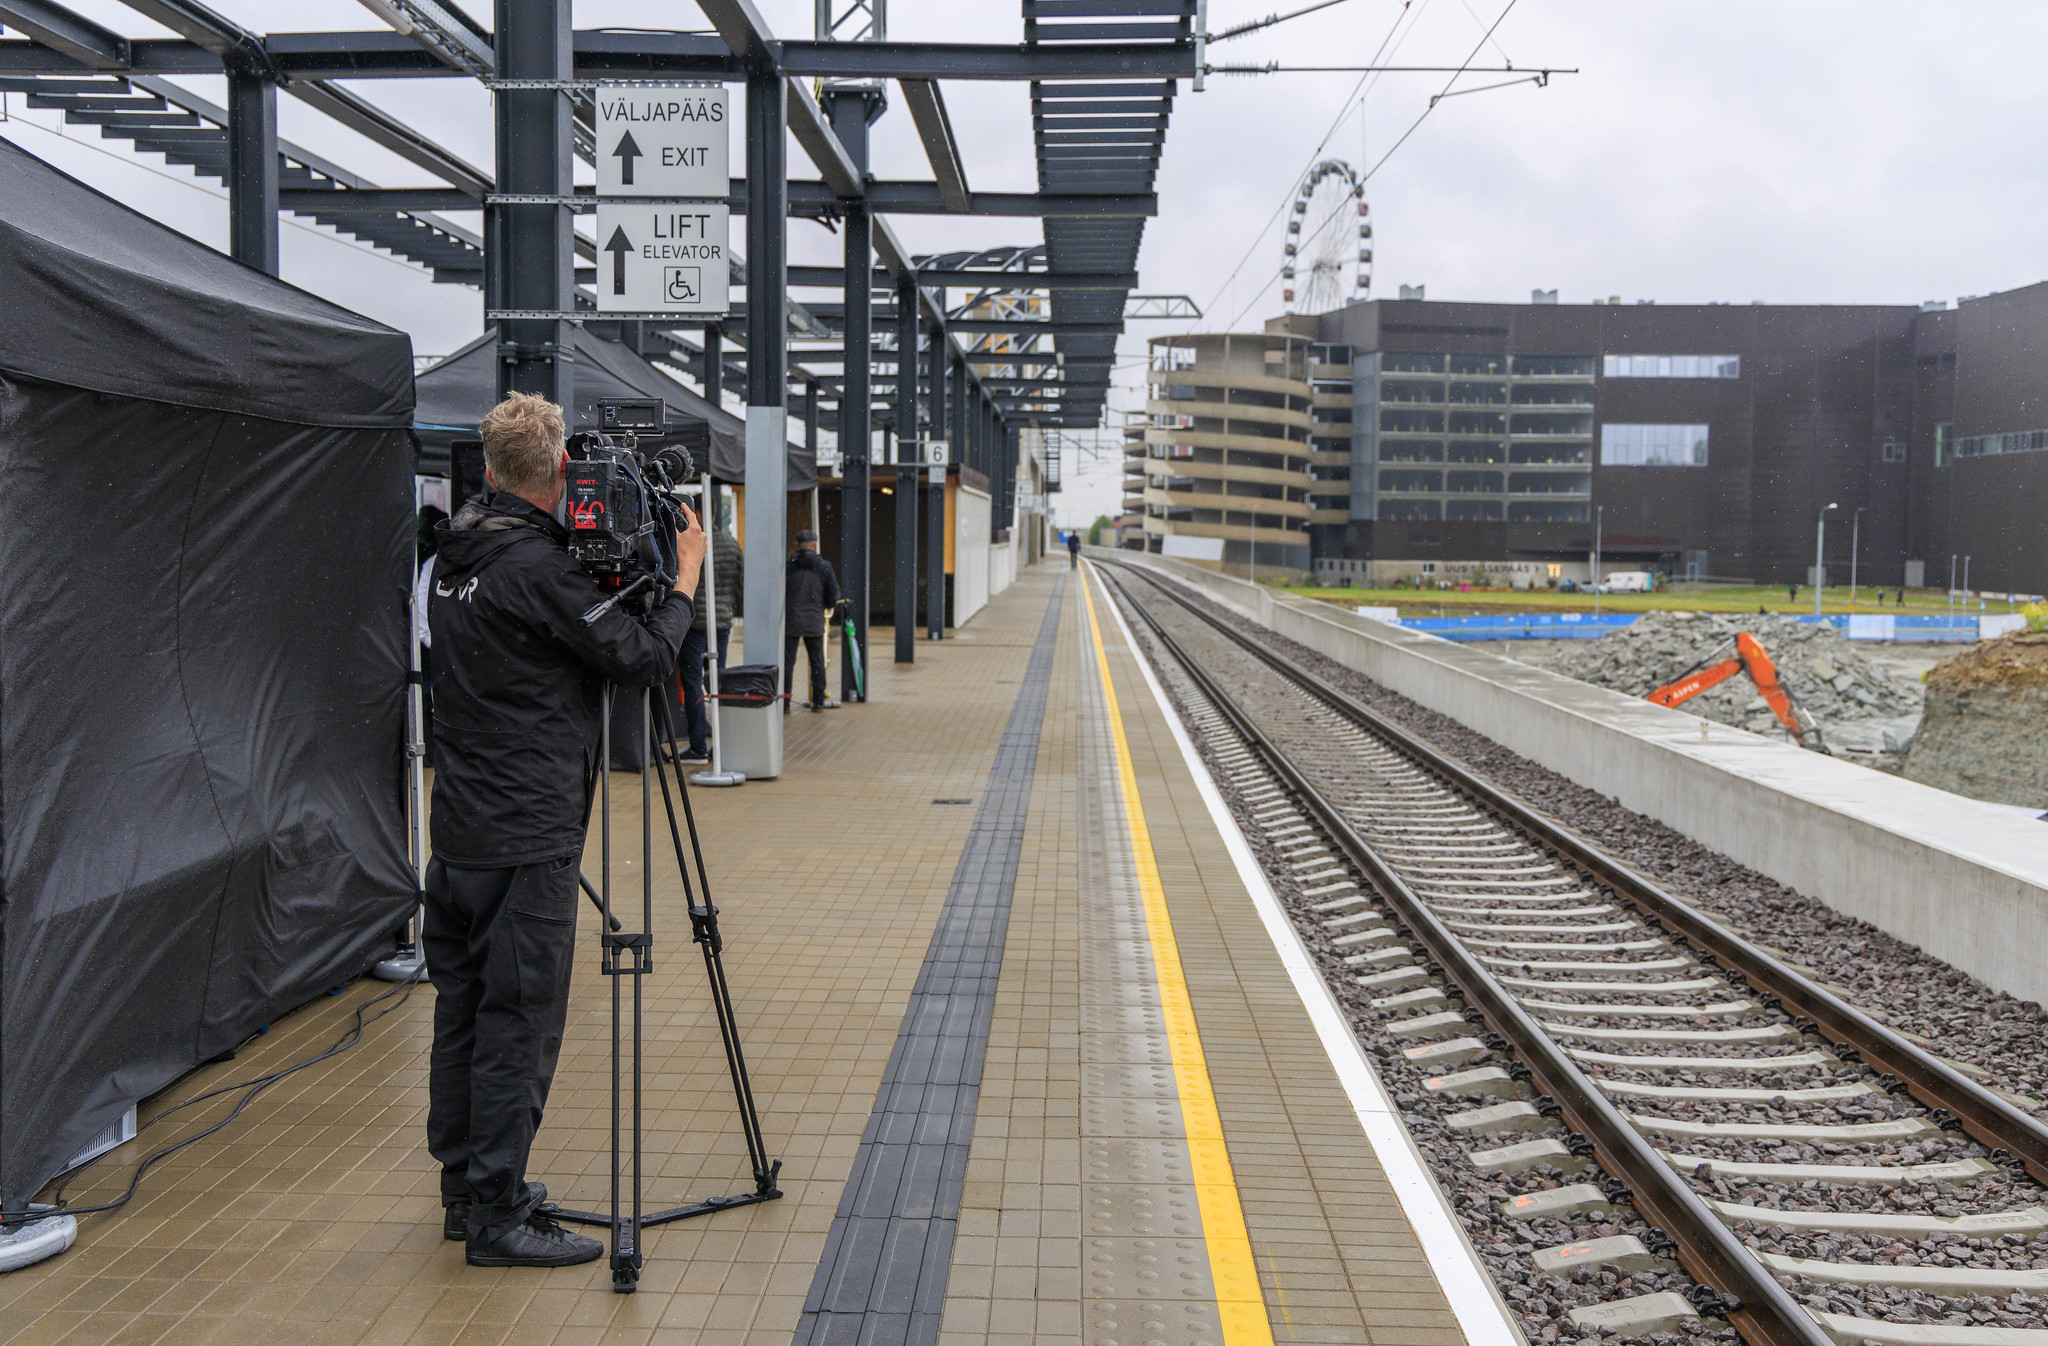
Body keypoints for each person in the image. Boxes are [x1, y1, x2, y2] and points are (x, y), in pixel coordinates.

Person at [424, 391, 705, 1269]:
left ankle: (468, 1192)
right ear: (560, 473)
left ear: (490, 469)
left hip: (458, 828)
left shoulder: (456, 554)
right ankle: (498, 1216)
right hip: (526, 831)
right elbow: (641, 659)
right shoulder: (535, 569)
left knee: (465, 1011)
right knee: (519, 1020)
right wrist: (685, 578)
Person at [678, 518, 741, 762]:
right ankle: (722, 745)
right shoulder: (731, 544)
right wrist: (727, 607)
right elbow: (740, 583)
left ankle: (698, 747)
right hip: (721, 622)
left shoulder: (689, 542)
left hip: (694, 622)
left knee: (693, 683)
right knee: (717, 681)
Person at [784, 528, 841, 712]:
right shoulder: (824, 566)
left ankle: (785, 702)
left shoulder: (789, 566)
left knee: (788, 663)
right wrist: (825, 605)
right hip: (814, 619)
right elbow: (833, 594)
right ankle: (818, 702)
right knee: (817, 662)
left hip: (792, 620)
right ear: (815, 546)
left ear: (796, 546)